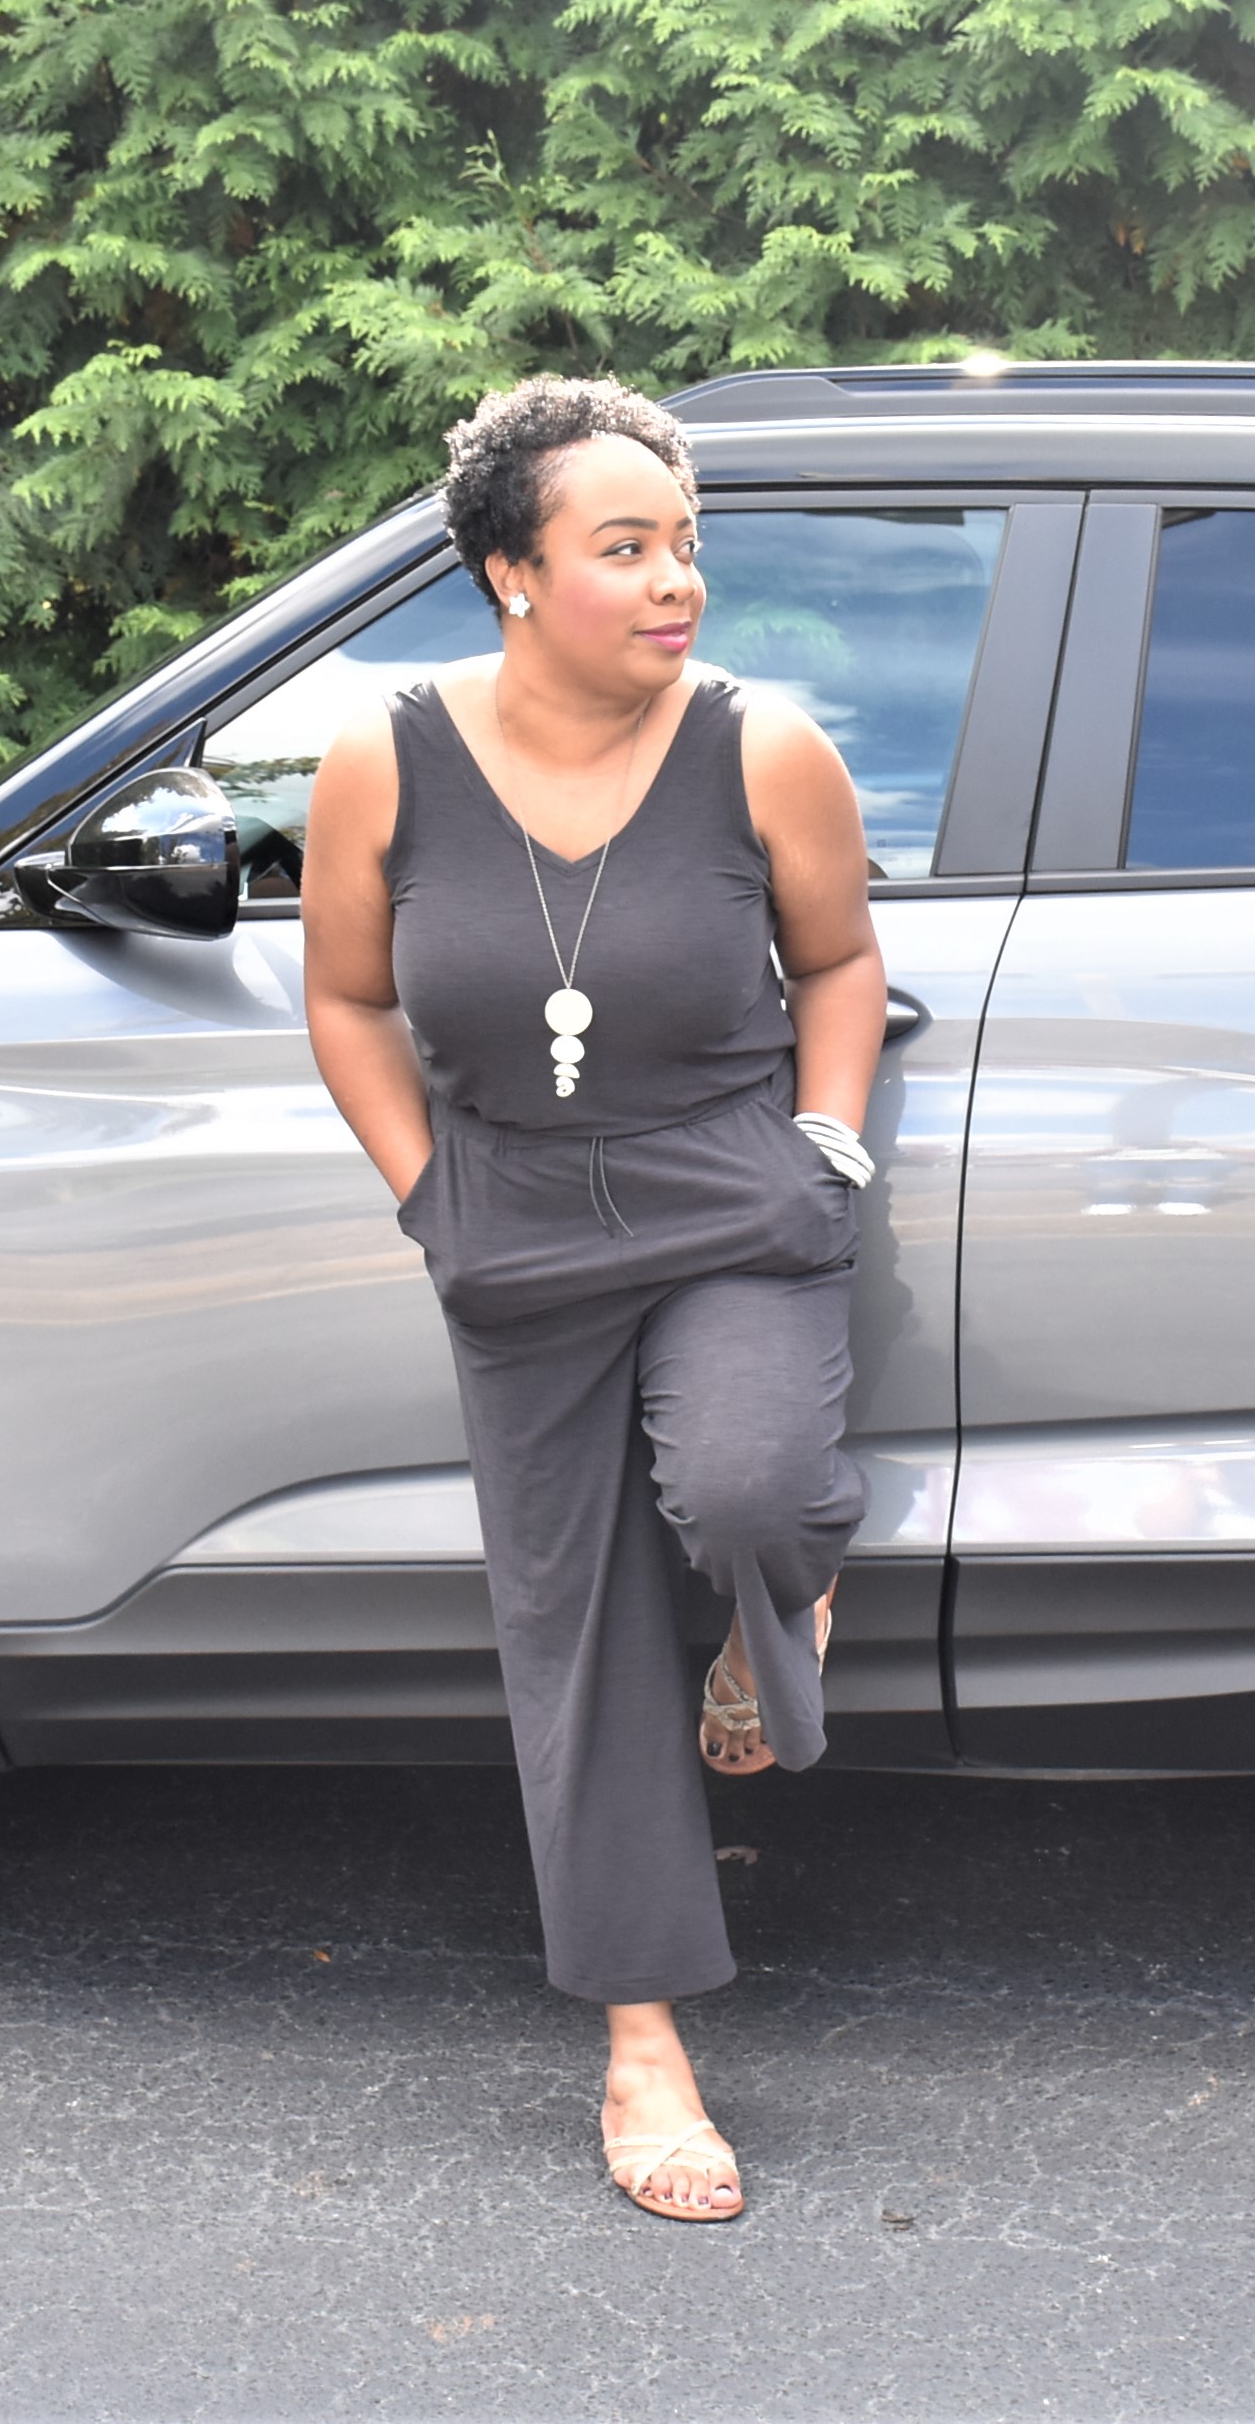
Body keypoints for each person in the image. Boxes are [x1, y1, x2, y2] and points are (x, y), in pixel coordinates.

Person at [298, 377, 889, 2223]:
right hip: (517, 1228)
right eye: (623, 548)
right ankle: (646, 2044)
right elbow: (342, 999)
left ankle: (763, 1623)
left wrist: (826, 1150)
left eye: (685, 545)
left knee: (754, 1493)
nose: (673, 583)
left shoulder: (761, 750)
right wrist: (427, 1199)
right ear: (508, 576)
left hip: (724, 1189)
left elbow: (843, 960)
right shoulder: (383, 762)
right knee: (569, 1642)